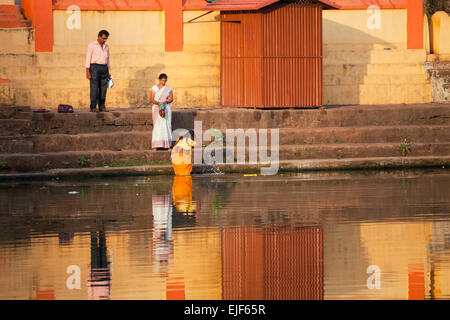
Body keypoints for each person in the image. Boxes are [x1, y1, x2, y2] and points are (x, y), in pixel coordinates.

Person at [85, 30, 111, 113]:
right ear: (99, 37)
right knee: (94, 88)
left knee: (103, 88)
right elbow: (88, 58)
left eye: (105, 39)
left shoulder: (106, 46)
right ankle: (93, 107)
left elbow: (107, 59)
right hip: (94, 68)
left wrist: (108, 72)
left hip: (104, 68)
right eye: (103, 38)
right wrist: (87, 72)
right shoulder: (91, 45)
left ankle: (102, 106)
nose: (104, 40)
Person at [151, 73, 173, 150]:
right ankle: (156, 146)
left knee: (166, 126)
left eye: (165, 80)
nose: (163, 82)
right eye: (162, 80)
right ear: (159, 80)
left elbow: (171, 99)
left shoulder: (169, 88)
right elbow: (152, 99)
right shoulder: (154, 88)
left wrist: (166, 102)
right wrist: (159, 104)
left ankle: (167, 145)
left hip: (166, 109)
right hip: (157, 109)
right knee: (157, 126)